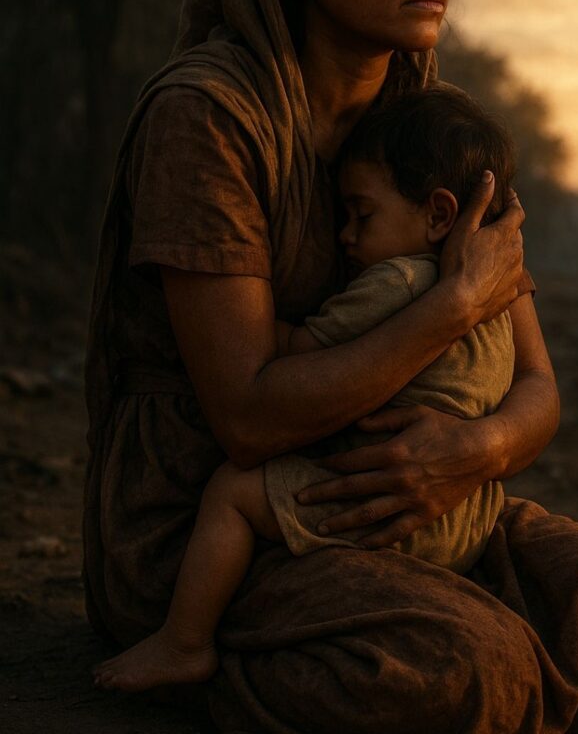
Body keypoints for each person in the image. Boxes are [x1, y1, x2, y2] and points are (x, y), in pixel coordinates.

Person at [83, 0, 578, 734]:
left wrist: (475, 452)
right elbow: (248, 418)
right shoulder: (209, 117)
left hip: (410, 503)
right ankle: (192, 660)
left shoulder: (438, 130)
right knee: (465, 666)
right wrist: (448, 307)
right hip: (217, 526)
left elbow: (537, 387)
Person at [92, 88, 521, 692]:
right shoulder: (497, 293)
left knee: (233, 493)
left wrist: (228, 317)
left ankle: (184, 643)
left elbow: (299, 348)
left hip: (384, 511)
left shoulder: (395, 282)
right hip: (467, 520)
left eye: (362, 216)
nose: (346, 236)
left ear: (438, 215)